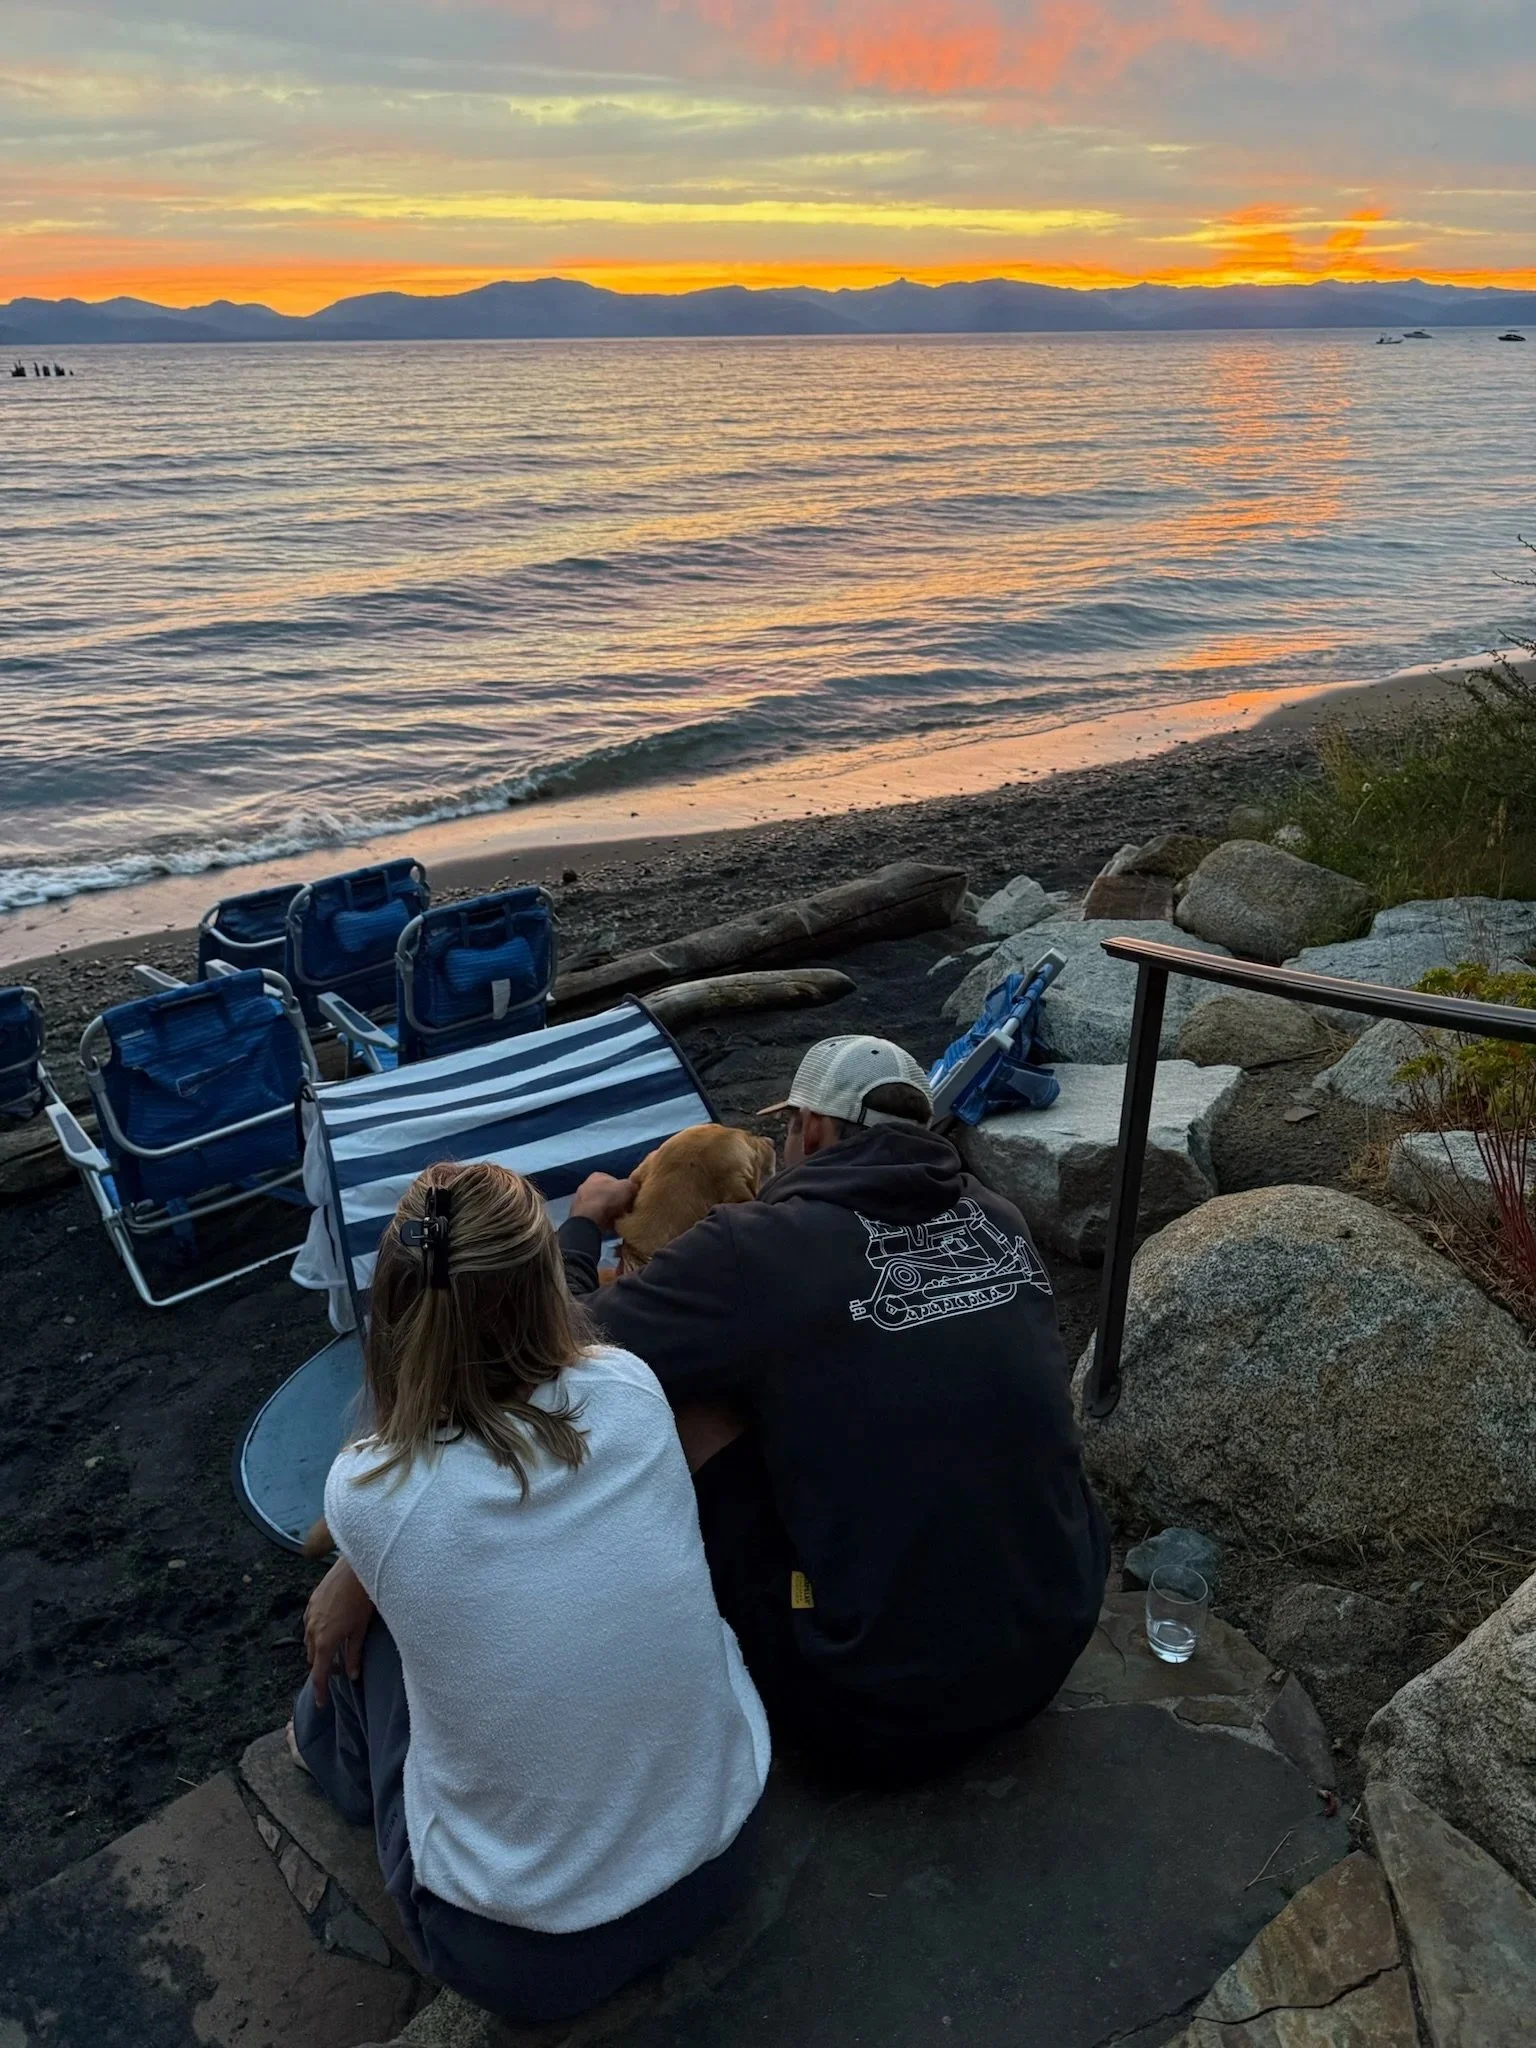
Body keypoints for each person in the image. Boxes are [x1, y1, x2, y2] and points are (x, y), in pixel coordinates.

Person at [560, 1035, 1109, 1784]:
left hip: (870, 1704)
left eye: (785, 1129)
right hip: (1054, 1639)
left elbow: (559, 1344)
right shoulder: (1000, 1218)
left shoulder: (753, 1250)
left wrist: (585, 1224)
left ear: (811, 1130)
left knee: (679, 1390)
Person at [294, 1161, 769, 2025]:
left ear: (393, 1307)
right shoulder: (629, 1387)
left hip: (518, 1957)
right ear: (550, 1290)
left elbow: (418, 1500)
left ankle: (320, 1745)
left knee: (381, 1638)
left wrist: (351, 1577)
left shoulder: (365, 1488)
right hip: (722, 1858)